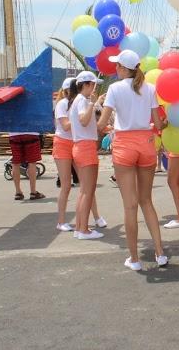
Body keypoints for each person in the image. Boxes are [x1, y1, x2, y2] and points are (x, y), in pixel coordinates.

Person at [97, 50, 168, 270]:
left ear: (122, 68)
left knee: (130, 206)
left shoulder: (114, 89)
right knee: (146, 201)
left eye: (117, 66)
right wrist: (167, 125)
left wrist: (112, 126)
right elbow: (158, 124)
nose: (115, 69)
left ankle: (135, 260)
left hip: (124, 146)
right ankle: (160, 254)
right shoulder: (150, 89)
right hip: (146, 143)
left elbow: (100, 125)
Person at [54, 77, 105, 232]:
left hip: (77, 143)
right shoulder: (64, 104)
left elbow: (86, 122)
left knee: (86, 185)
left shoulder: (80, 101)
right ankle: (63, 221)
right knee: (67, 184)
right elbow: (67, 125)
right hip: (65, 143)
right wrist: (78, 115)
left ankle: (94, 218)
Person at [70, 71, 106, 240]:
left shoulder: (79, 100)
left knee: (84, 191)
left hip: (81, 146)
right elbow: (84, 120)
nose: (94, 88)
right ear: (85, 85)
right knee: (88, 190)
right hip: (85, 147)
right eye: (92, 85)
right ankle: (84, 229)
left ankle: (80, 228)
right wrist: (92, 103)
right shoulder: (82, 101)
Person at [8, 132, 45, 201]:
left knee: (16, 163)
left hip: (14, 134)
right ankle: (33, 192)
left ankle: (18, 192)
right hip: (31, 133)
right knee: (32, 162)